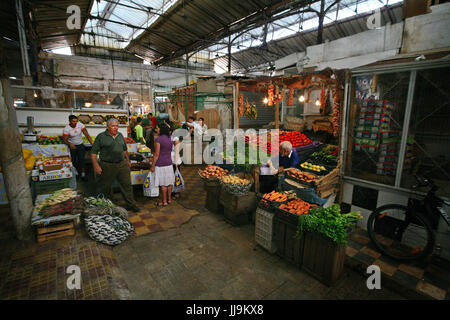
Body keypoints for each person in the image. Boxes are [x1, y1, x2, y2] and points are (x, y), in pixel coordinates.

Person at [90, 118, 140, 212]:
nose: (116, 128)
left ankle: (131, 204)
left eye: (117, 126)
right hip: (107, 165)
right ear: (108, 127)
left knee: (127, 185)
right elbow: (93, 153)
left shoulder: (120, 135)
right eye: (113, 126)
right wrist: (96, 165)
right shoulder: (101, 137)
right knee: (103, 186)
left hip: (122, 164)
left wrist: (128, 161)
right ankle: (103, 206)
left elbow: (124, 150)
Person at [150, 124, 175, 206]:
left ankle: (164, 201)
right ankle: (169, 199)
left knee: (163, 184)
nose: (156, 129)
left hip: (161, 164)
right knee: (169, 182)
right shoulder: (171, 138)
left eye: (157, 128)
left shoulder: (158, 139)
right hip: (169, 163)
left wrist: (153, 165)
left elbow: (156, 154)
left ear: (161, 129)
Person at [63, 115, 93, 181]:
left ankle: (83, 175)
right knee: (73, 161)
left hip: (80, 145)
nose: (75, 123)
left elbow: (87, 135)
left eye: (76, 121)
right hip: (72, 146)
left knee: (82, 160)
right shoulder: (66, 129)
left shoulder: (80, 125)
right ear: (69, 121)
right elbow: (65, 140)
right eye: (73, 121)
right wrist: (70, 144)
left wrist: (92, 143)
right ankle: (75, 175)